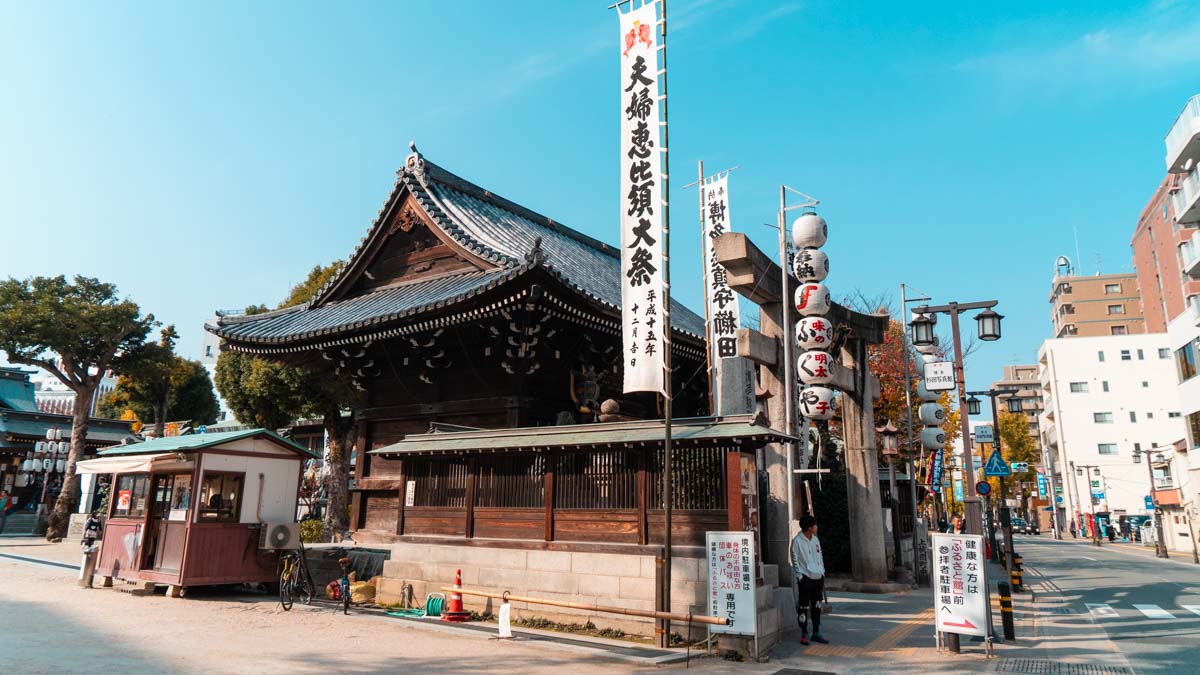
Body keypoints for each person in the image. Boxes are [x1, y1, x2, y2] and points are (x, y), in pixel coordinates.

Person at [790, 515, 828, 646]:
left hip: (818, 578)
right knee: (804, 606)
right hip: (805, 578)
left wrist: (822, 571)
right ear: (809, 528)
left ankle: (816, 632)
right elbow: (794, 560)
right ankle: (804, 633)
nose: (817, 527)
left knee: (817, 606)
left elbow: (820, 556)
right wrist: (800, 576)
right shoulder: (797, 541)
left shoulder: (816, 540)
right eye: (815, 525)